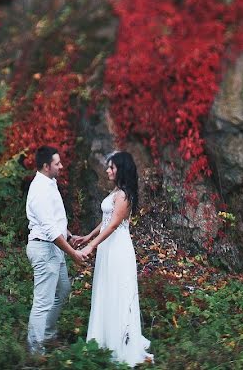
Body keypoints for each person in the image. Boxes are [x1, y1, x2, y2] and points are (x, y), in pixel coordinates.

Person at [73, 150, 153, 367]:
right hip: (107, 247)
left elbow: (115, 224)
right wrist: (88, 236)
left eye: (111, 167)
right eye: (108, 166)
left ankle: (121, 342)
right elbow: (106, 220)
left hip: (118, 249)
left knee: (117, 289)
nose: (107, 170)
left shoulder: (125, 195)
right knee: (105, 288)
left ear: (121, 169)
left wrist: (91, 245)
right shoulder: (116, 192)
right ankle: (103, 338)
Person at [25, 145, 87, 355]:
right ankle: (35, 353)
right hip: (44, 249)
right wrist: (73, 253)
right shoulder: (39, 191)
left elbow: (53, 220)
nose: (61, 166)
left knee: (63, 290)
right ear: (45, 166)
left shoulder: (50, 182)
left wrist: (69, 235)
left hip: (54, 248)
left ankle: (48, 335)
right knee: (43, 301)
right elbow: (50, 231)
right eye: (57, 163)